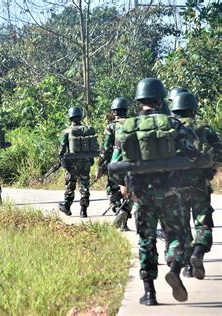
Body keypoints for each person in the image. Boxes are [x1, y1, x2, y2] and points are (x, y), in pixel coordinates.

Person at [108, 78, 202, 306]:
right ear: (160, 100)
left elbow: (115, 162)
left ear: (140, 101)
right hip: (171, 192)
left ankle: (149, 293)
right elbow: (191, 155)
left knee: (146, 241)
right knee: (176, 237)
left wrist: (124, 185)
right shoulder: (173, 124)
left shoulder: (128, 127)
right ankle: (173, 268)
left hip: (142, 194)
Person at [171, 91, 220, 280]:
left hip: (176, 185)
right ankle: (197, 255)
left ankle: (187, 268)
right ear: (193, 109)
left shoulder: (170, 128)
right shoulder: (204, 129)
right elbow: (220, 152)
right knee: (203, 222)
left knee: (182, 226)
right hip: (200, 184)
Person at [96, 97, 132, 231]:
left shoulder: (111, 126)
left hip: (117, 165)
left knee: (112, 191)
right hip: (133, 165)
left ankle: (118, 211)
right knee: (129, 192)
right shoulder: (134, 124)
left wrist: (100, 168)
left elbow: (105, 150)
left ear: (114, 111)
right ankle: (125, 221)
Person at [58, 107, 98, 218]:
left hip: (71, 165)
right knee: (84, 186)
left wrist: (64, 164)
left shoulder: (66, 132)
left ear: (70, 117)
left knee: (70, 186)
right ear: (81, 116)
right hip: (85, 164)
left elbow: (61, 151)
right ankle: (83, 211)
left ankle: (66, 206)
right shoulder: (86, 130)